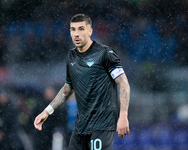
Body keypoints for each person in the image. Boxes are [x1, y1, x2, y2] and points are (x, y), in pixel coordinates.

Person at [34, 14, 130, 150]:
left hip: (101, 125)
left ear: (90, 31)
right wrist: (47, 111)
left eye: (81, 29)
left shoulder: (105, 53)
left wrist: (123, 115)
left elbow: (123, 83)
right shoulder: (71, 56)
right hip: (80, 128)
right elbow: (68, 87)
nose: (76, 34)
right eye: (73, 30)